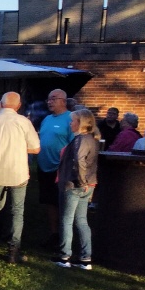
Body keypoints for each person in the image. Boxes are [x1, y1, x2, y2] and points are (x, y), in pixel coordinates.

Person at [0, 92, 41, 264]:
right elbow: (36, 148)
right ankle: (13, 250)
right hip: (18, 172)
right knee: (17, 211)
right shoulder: (24, 123)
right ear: (18, 106)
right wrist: (18, 148)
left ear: (2, 105)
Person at [55, 109, 99, 269]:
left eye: (72, 121)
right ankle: (85, 257)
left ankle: (65, 256)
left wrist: (81, 181)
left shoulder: (80, 140)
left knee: (67, 220)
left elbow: (79, 161)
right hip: (89, 185)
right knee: (82, 220)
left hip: (75, 185)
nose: (70, 123)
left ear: (80, 123)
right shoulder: (92, 139)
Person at [36, 89, 74, 247]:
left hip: (60, 169)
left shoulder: (71, 118)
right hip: (43, 167)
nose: (49, 102)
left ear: (63, 101)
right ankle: (54, 233)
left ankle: (65, 237)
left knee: (62, 203)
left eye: (53, 99)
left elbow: (74, 144)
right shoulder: (46, 119)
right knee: (49, 202)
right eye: (48, 99)